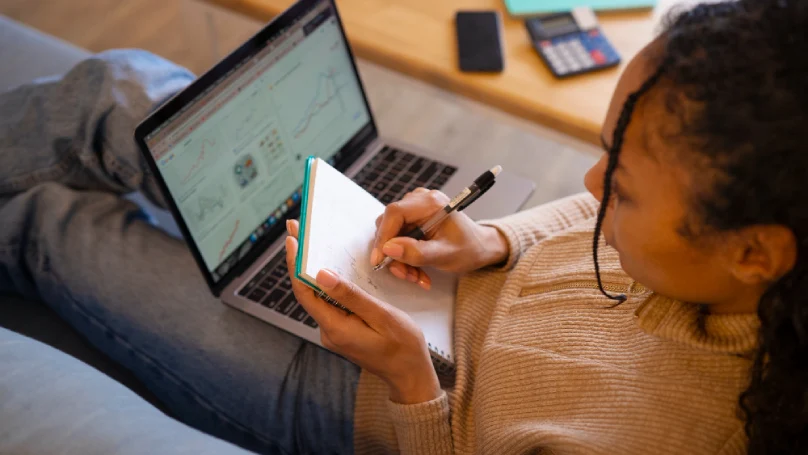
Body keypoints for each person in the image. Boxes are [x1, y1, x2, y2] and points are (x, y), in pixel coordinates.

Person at [0, 0, 805, 454]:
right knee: (119, 87)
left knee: (53, 221)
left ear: (755, 252)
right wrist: (492, 240)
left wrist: (410, 383)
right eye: (604, 152)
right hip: (428, 282)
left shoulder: (688, 436)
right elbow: (585, 211)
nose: (594, 185)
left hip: (361, 396)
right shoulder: (723, 245)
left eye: (623, 185)